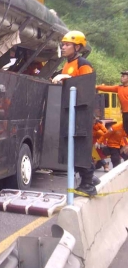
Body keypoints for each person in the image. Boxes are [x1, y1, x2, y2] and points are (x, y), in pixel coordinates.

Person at [52, 30, 99, 196]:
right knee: (72, 146)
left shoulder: (83, 64)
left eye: (67, 44)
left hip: (81, 111)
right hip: (69, 110)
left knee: (80, 146)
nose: (63, 47)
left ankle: (88, 184)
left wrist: (66, 77)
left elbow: (86, 88)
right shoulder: (67, 64)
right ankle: (89, 177)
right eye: (62, 44)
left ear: (77, 47)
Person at [96, 71, 128, 135]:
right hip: (125, 113)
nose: (121, 77)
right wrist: (96, 87)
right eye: (121, 76)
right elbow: (107, 88)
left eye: (123, 76)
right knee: (126, 129)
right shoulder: (119, 88)